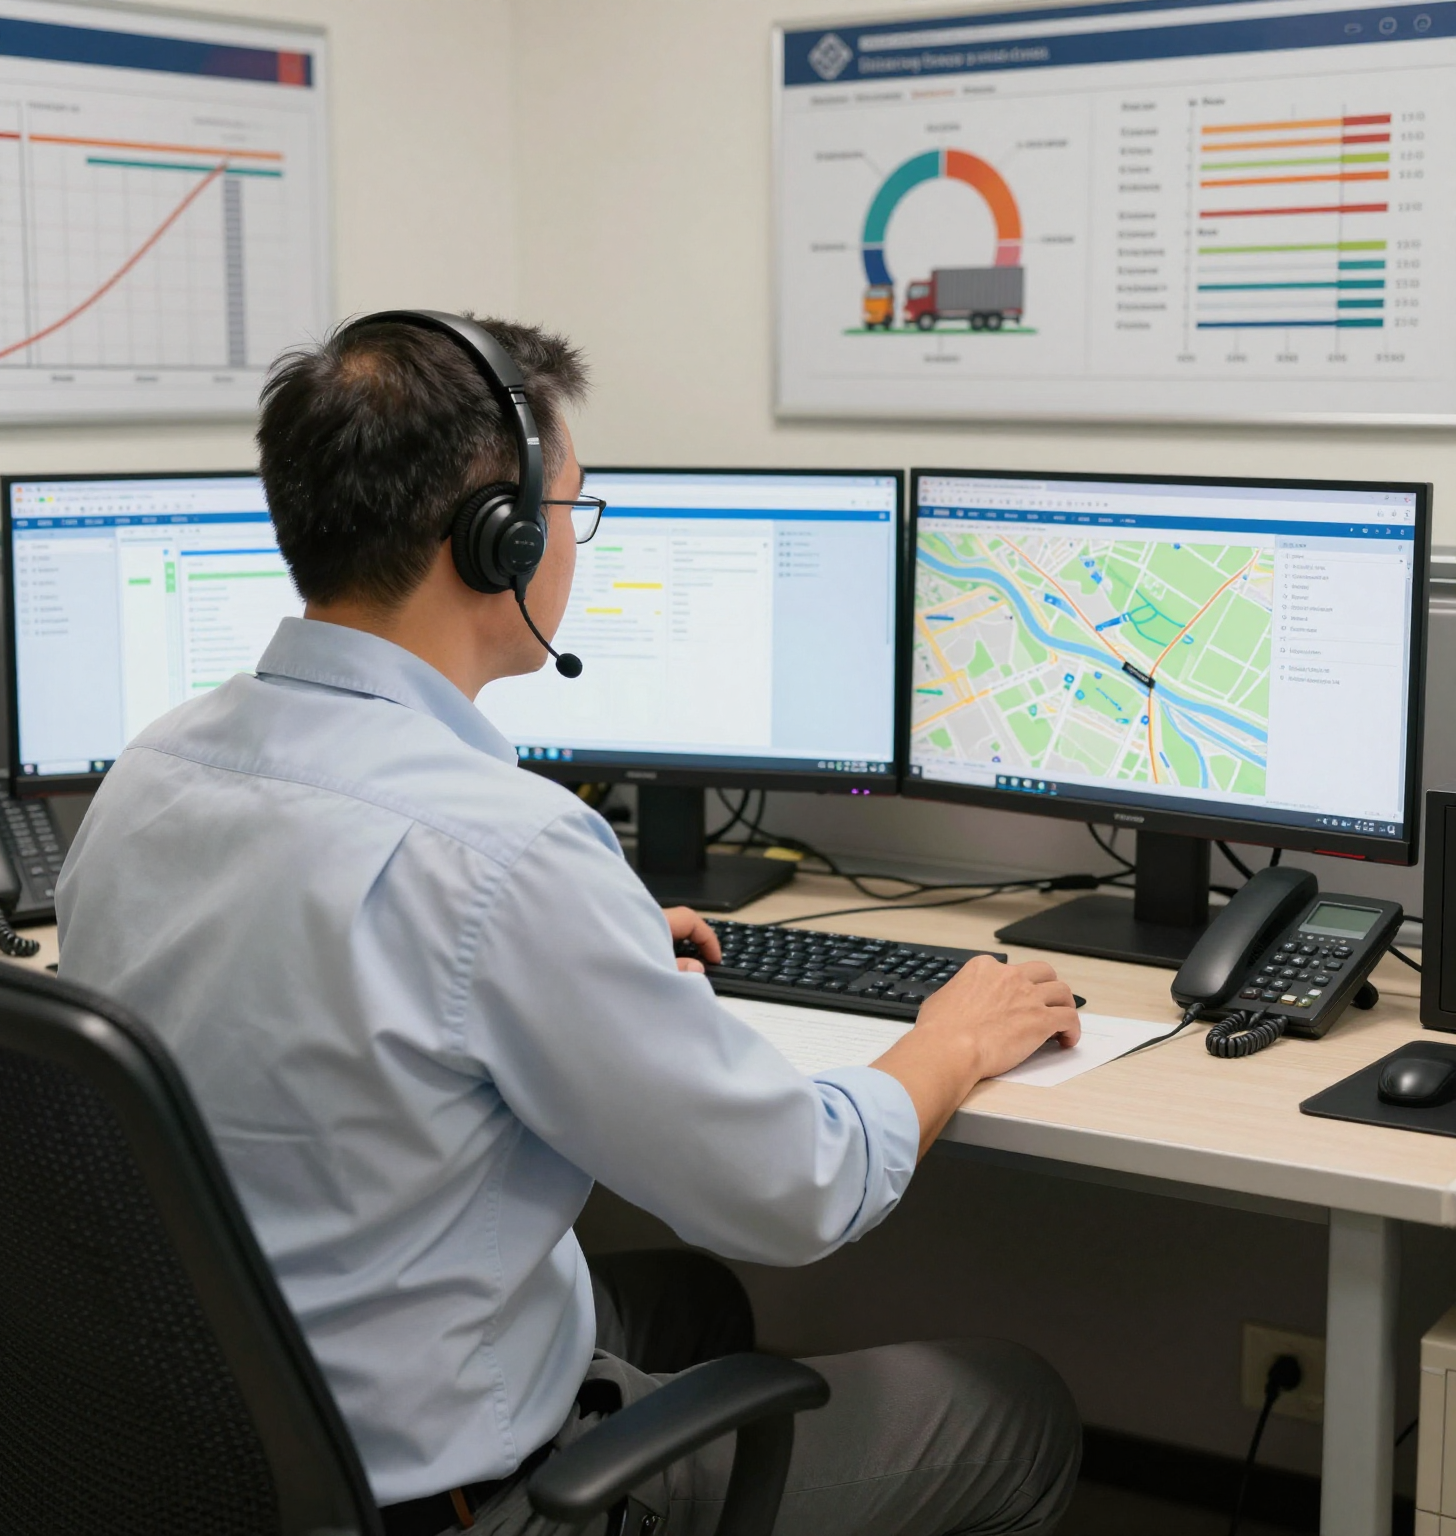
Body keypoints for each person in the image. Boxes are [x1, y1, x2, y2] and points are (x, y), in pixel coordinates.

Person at [56, 314, 1083, 1536]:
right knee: (1013, 1409)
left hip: (202, 1451)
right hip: (444, 1500)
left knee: (692, 1299)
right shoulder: (505, 849)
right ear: (497, 537)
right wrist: (951, 1041)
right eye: (570, 509)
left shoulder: (151, 771)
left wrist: (587, 954)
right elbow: (795, 1189)